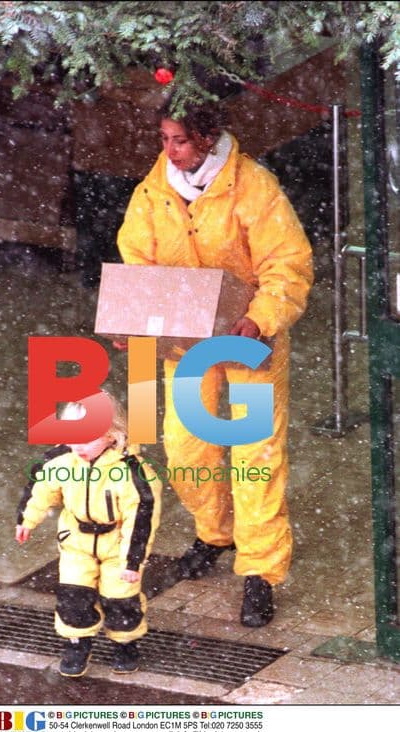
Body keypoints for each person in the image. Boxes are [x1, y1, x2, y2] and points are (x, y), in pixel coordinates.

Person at [117, 99, 313, 627]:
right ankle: (215, 533)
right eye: (163, 138)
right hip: (188, 343)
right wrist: (135, 319)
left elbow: (288, 264)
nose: (169, 149)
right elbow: (139, 263)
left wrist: (260, 317)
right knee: (185, 445)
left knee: (255, 456)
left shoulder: (253, 188)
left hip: (248, 339)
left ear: (207, 138)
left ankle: (259, 573)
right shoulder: (153, 193)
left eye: (178, 139)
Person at [15, 397, 161, 676]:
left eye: (86, 438)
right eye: (71, 437)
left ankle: (125, 642)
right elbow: (40, 489)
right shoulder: (61, 460)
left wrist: (132, 561)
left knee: (121, 597)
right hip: (76, 542)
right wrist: (26, 519)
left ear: (112, 434)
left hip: (117, 544)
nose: (78, 446)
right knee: (73, 594)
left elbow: (142, 519)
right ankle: (77, 642)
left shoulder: (133, 472)